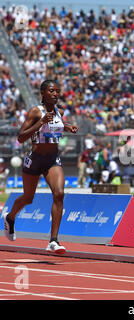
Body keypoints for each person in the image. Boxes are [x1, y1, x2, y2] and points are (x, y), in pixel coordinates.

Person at [3, 79, 78, 254]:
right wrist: (40, 122)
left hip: (52, 160)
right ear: (43, 93)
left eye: (57, 91)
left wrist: (68, 127)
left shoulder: (58, 112)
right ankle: (10, 217)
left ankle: (53, 240)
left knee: (59, 194)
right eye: (51, 91)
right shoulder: (36, 112)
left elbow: (56, 125)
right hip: (34, 160)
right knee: (28, 198)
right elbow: (20, 137)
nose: (55, 94)